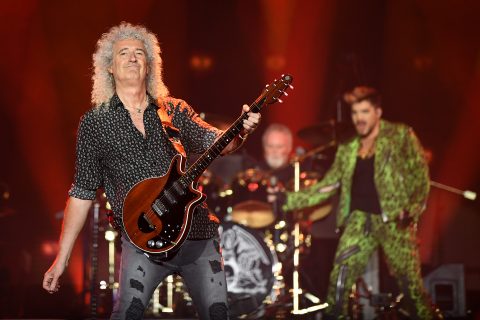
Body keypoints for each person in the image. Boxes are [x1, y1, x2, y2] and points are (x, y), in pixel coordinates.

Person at [42, 22, 260, 320]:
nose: (132, 57)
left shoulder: (173, 110)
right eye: (123, 53)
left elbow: (217, 143)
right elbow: (81, 192)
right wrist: (62, 258)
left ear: (149, 64)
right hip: (142, 241)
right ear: (108, 66)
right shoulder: (94, 123)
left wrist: (241, 131)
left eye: (139, 53)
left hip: (196, 235)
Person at [283, 86, 435, 319]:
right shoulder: (348, 147)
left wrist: (412, 209)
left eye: (364, 111)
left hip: (395, 220)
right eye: (355, 113)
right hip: (359, 221)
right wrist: (286, 201)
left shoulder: (400, 135)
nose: (359, 118)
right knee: (339, 280)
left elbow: (420, 176)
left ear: (378, 112)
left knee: (412, 289)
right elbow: (328, 185)